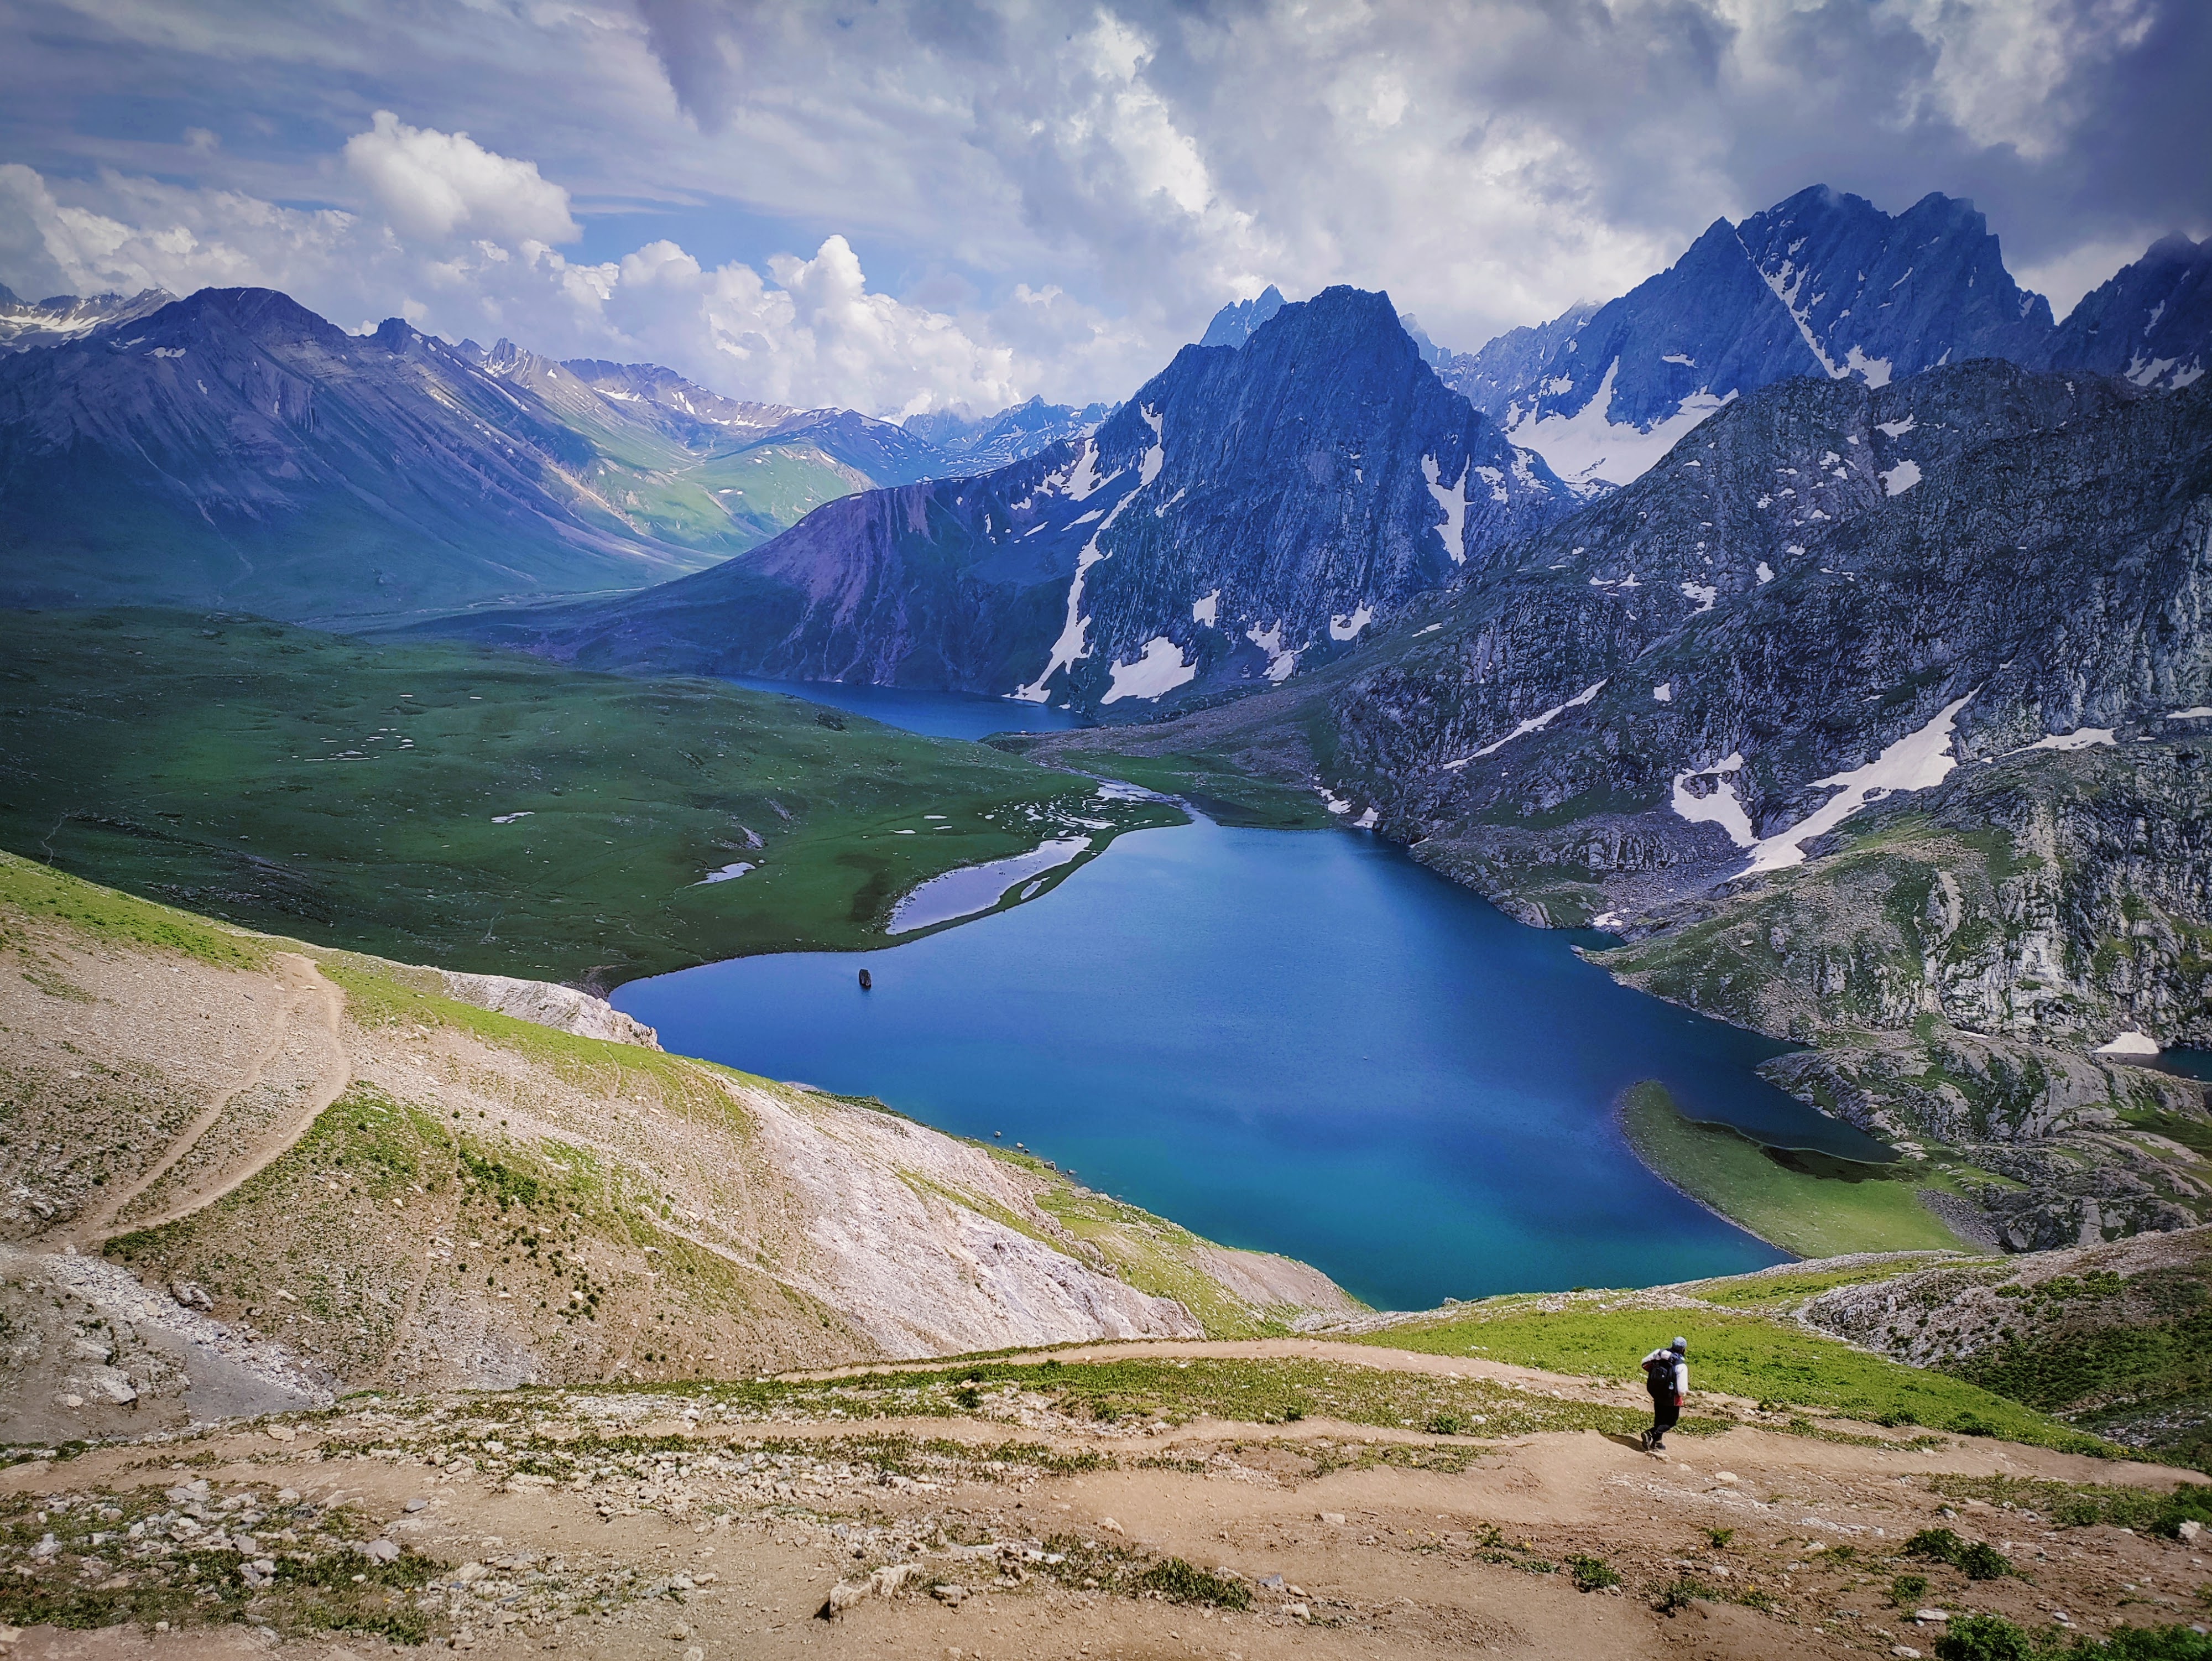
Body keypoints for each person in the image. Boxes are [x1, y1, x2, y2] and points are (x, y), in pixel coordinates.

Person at [1639, 1336, 1688, 1452]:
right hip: (1671, 1396)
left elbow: (1644, 1363)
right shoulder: (1681, 1365)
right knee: (1671, 1421)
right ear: (1683, 1349)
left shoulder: (1659, 1353)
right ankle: (1650, 1433)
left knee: (1660, 1416)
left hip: (1656, 1390)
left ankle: (1657, 1443)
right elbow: (1681, 1390)